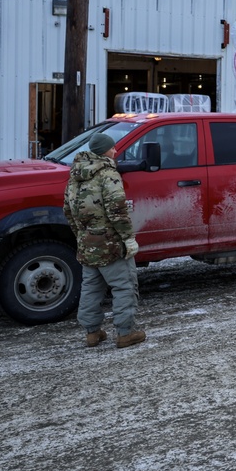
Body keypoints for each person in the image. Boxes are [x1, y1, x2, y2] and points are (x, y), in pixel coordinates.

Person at [63, 132, 146, 349]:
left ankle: (92, 333)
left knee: (91, 287)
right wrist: (128, 238)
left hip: (87, 241)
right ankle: (125, 333)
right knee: (124, 286)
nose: (115, 151)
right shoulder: (108, 174)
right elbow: (117, 210)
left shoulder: (76, 175)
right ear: (103, 151)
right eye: (112, 148)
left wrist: (82, 234)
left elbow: (68, 210)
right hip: (110, 243)